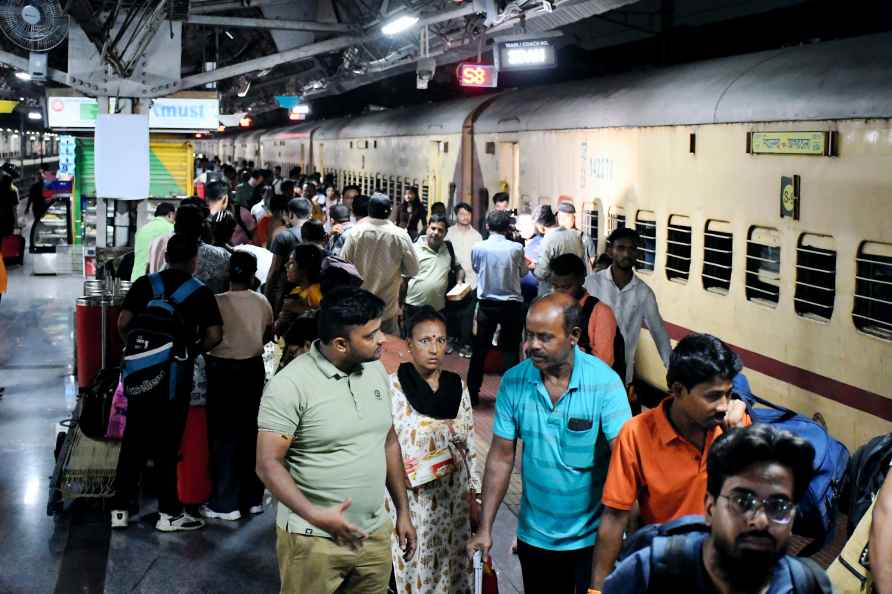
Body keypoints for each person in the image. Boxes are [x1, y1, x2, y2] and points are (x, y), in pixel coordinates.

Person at [467, 293, 632, 594]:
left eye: (544, 337)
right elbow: (502, 458)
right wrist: (486, 527)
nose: (532, 345)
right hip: (534, 539)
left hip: (591, 542)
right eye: (529, 335)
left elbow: (626, 460)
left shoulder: (605, 384)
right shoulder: (515, 381)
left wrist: (625, 534)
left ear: (574, 336)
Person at [256, 288, 417, 594]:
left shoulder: (375, 370)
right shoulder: (290, 386)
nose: (382, 340)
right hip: (312, 539)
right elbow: (267, 464)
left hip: (373, 534)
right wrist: (317, 515)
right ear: (341, 344)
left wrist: (402, 512)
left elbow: (388, 442)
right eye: (370, 335)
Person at [592, 333, 751, 589]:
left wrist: (739, 442)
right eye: (712, 396)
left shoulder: (734, 427)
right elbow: (614, 519)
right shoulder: (637, 434)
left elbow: (753, 505)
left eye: (729, 394)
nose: (724, 406)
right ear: (678, 390)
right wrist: (597, 590)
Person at [603, 425, 833, 594]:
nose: (760, 520)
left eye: (779, 506)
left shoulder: (806, 586)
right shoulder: (652, 572)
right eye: (743, 502)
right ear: (710, 509)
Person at [112, 234, 223, 531]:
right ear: (194, 262)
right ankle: (168, 513)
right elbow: (214, 336)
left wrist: (137, 352)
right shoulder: (200, 292)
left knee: (133, 437)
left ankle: (119, 509)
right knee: (167, 443)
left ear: (165, 256)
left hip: (138, 373)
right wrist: (191, 350)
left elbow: (123, 323)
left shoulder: (145, 284)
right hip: (175, 376)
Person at [387, 306, 480, 593]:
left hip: (453, 500)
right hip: (413, 503)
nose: (434, 349)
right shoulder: (394, 387)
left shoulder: (457, 386)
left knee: (453, 574)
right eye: (425, 341)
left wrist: (474, 495)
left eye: (440, 340)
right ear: (409, 345)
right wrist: (402, 511)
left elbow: (470, 444)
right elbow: (389, 447)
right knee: (415, 571)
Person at [202, 251, 273, 521]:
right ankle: (252, 498)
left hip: (221, 371)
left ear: (228, 273)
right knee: (249, 432)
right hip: (252, 370)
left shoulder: (216, 301)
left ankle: (225, 503)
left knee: (223, 435)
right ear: (253, 274)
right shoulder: (262, 301)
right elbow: (268, 335)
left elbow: (209, 336)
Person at [584, 226, 672, 389]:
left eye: (632, 249)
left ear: (638, 255)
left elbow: (659, 333)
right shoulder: (591, 283)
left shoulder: (643, 293)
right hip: (589, 371)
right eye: (621, 248)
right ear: (610, 251)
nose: (626, 254)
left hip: (622, 375)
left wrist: (673, 371)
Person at [466, 209, 526, 405]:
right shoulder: (516, 248)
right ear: (508, 228)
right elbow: (523, 272)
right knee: (510, 351)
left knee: (479, 351)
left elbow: (476, 268)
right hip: (511, 305)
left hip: (486, 305)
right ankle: (511, 397)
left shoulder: (479, 247)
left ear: (487, 226)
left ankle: (473, 393)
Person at [341, 194, 418, 336]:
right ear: (390, 211)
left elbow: (342, 266)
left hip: (359, 311)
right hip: (386, 311)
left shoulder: (355, 233)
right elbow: (413, 270)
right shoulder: (400, 235)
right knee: (387, 351)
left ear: (369, 210)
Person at [548, 253, 622, 372]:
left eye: (566, 287)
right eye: (555, 287)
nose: (560, 293)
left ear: (582, 280)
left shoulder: (601, 313)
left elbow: (603, 364)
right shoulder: (550, 310)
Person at [400, 214, 457, 331]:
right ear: (427, 228)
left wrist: (460, 281)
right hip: (414, 307)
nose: (436, 232)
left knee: (432, 342)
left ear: (445, 233)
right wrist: (399, 306)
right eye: (433, 228)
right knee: (411, 342)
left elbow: (458, 267)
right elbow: (402, 280)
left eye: (440, 230)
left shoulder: (448, 249)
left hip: (438, 309)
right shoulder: (413, 250)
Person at [445, 202, 482, 358]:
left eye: (468, 214)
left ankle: (465, 343)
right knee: (452, 311)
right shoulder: (449, 233)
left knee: (467, 312)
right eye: (462, 214)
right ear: (456, 215)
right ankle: (451, 339)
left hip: (471, 280)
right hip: (451, 279)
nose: (465, 217)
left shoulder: (477, 236)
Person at [265, 197, 311, 313]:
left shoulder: (284, 236)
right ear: (309, 214)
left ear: (290, 214)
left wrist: (267, 292)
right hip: (311, 291)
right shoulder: (319, 233)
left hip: (286, 289)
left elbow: (275, 269)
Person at [534, 204, 585, 296]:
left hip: (554, 293)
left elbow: (541, 273)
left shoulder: (548, 240)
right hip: (574, 289)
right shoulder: (574, 235)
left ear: (541, 226)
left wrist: (534, 268)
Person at [277, 243, 323, 336]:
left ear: (304, 267)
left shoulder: (315, 292)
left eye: (292, 263)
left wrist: (298, 308)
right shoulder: (297, 290)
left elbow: (324, 319)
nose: (286, 266)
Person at [130, 203, 175, 281]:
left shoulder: (142, 229)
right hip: (156, 282)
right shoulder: (171, 229)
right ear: (170, 214)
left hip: (136, 278)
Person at [557, 201, 597, 269]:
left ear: (573, 218)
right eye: (560, 217)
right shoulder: (554, 238)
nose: (563, 220)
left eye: (567, 217)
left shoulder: (584, 238)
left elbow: (592, 259)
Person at [0, 165, 19, 238]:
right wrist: (16, 224)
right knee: (8, 239)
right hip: (9, 220)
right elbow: (14, 209)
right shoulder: (13, 191)